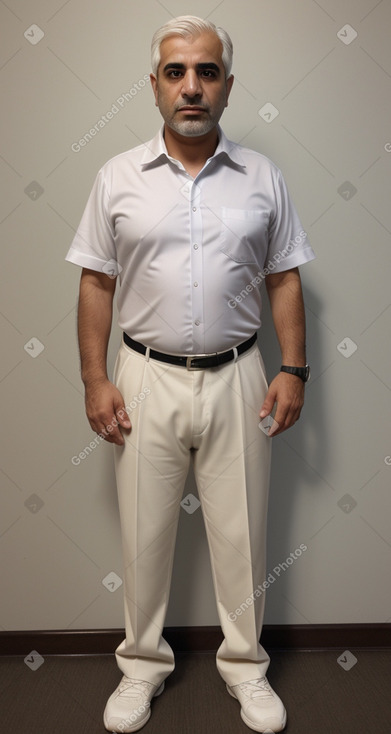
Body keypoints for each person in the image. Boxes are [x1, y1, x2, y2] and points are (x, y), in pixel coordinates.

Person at [66, 15, 315, 733]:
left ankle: (246, 669)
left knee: (242, 536)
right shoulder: (116, 176)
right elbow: (95, 284)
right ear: (154, 86)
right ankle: (140, 667)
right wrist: (94, 378)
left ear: (227, 87)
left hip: (240, 374)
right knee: (144, 539)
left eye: (206, 72)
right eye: (176, 72)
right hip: (142, 377)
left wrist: (292, 368)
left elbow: (284, 279)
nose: (191, 86)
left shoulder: (261, 176)